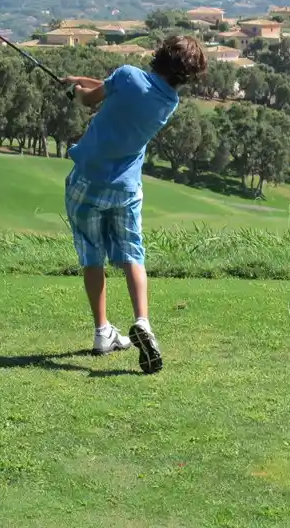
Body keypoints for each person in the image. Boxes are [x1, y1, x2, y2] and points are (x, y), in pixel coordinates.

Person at [61, 35, 207, 374]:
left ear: (161, 55)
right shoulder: (168, 102)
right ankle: (142, 321)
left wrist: (74, 91)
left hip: (86, 182)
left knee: (91, 255)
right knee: (132, 254)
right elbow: (116, 88)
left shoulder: (127, 74)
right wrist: (80, 79)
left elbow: (90, 99)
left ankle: (102, 332)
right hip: (125, 189)